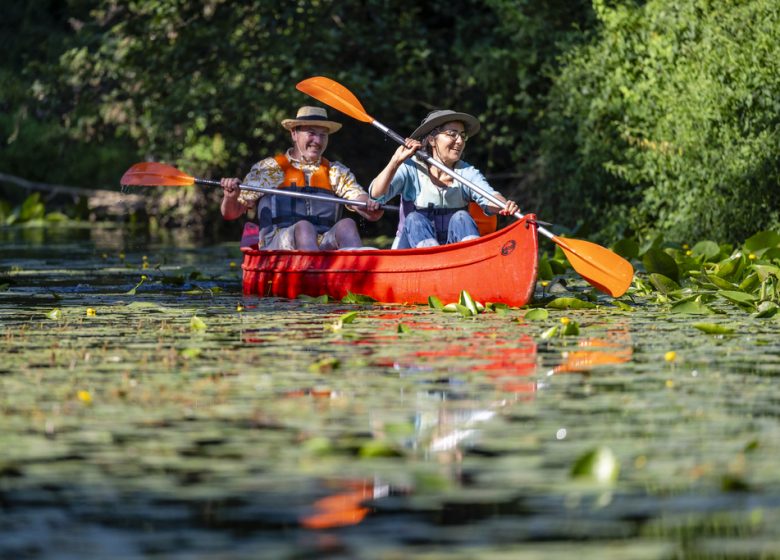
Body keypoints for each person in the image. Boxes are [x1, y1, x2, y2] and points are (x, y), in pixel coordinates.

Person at [220, 106, 383, 250]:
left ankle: (355, 277)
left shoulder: (336, 171)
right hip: (276, 247)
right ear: (294, 134)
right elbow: (231, 214)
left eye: (323, 135)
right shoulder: (270, 169)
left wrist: (368, 204)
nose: (317, 141)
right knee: (304, 228)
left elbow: (370, 212)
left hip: (321, 246)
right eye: (311, 133)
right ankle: (313, 276)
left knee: (347, 225)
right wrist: (230, 197)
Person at [369, 109, 519, 248]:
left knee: (462, 217)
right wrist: (395, 161)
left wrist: (503, 204)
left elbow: (489, 196)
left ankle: (470, 261)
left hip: (452, 255)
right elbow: (376, 195)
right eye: (452, 134)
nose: (459, 141)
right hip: (411, 252)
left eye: (462, 135)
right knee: (414, 219)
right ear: (432, 140)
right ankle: (431, 258)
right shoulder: (410, 168)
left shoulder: (466, 172)